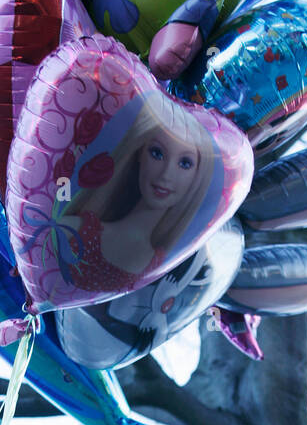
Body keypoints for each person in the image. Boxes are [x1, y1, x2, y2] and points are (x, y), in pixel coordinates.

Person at [55, 100, 219, 295]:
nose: (166, 174)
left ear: (198, 176)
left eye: (185, 163)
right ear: (140, 153)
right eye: (157, 153)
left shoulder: (161, 269)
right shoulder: (72, 230)